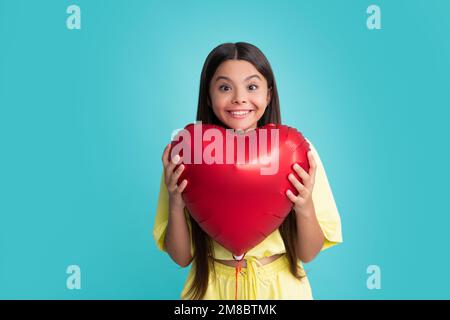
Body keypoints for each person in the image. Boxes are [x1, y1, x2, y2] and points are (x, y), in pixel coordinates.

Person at [153, 42, 342, 300]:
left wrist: (304, 204)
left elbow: (308, 253)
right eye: (224, 87)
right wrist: (176, 203)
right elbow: (181, 258)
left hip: (280, 291)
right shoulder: (189, 153)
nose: (239, 98)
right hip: (209, 290)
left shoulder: (296, 152)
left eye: (252, 87)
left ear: (268, 94)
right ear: (208, 96)